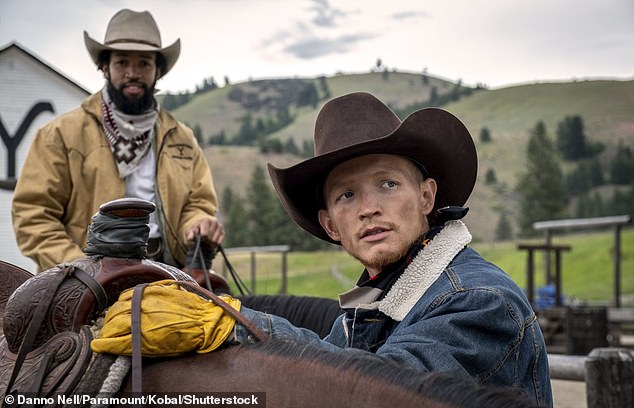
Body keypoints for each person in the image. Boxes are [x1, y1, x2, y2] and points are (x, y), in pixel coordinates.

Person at [94, 92, 552, 406]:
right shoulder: (371, 296)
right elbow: (333, 354)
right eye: (347, 195)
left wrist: (233, 322)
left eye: (387, 184)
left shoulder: (478, 301)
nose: (368, 208)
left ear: (427, 198)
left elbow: (368, 390)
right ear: (331, 225)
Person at [11, 9, 223, 272]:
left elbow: (198, 203)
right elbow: (33, 215)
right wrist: (82, 269)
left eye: (144, 63)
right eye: (122, 62)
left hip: (169, 271)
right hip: (85, 277)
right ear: (104, 68)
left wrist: (198, 223)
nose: (132, 73)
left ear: (158, 71)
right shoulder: (61, 134)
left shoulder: (182, 138)